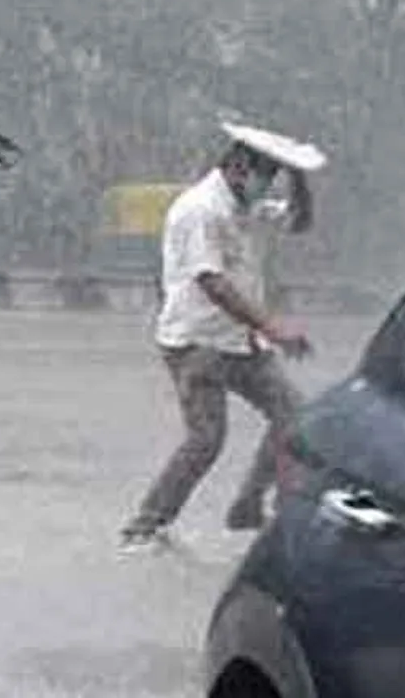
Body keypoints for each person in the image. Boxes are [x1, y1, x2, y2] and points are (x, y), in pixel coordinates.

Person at [118, 139, 314, 554]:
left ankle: (247, 504)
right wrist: (273, 328)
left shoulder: (247, 207)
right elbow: (213, 283)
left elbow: (298, 222)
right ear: (239, 167)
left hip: (242, 342)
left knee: (294, 418)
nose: (267, 188)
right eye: (265, 177)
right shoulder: (201, 209)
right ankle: (144, 526)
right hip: (196, 343)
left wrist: (298, 174)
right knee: (207, 438)